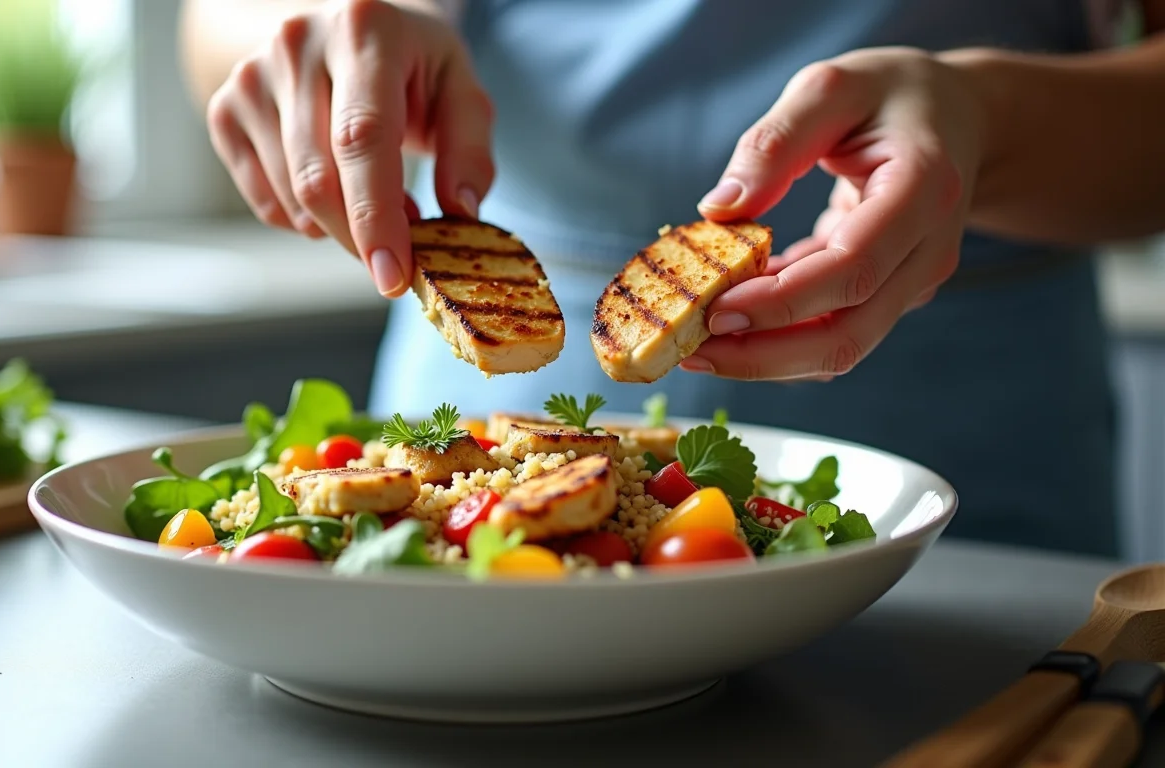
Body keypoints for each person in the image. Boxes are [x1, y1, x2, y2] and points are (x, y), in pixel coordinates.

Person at [180, 0, 1165, 558]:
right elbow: (222, 22)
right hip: (457, 432)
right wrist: (322, 33)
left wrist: (981, 120)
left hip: (959, 480)